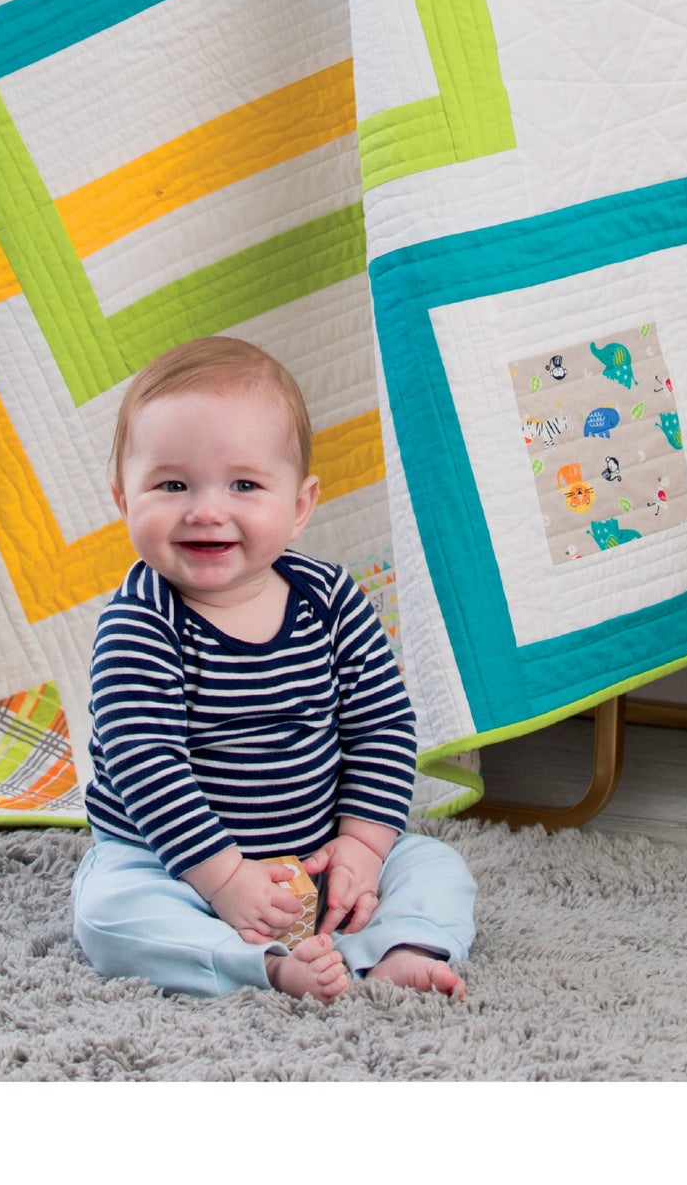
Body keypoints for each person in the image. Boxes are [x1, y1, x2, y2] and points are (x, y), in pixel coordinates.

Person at [72, 335, 476, 1001]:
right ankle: (253, 964)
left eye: (244, 484)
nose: (205, 508)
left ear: (298, 504)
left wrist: (360, 851)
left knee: (436, 865)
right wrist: (224, 878)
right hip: (174, 868)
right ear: (123, 499)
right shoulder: (140, 621)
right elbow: (147, 764)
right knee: (107, 910)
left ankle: (395, 946)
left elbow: (381, 728)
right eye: (171, 484)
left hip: (314, 860)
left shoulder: (332, 599)